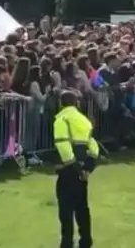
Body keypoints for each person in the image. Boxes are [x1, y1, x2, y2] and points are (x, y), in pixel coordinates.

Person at [53, 90, 99, 248]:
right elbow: (93, 145)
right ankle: (86, 241)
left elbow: (63, 145)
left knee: (65, 210)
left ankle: (67, 243)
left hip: (68, 169)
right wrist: (87, 168)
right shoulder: (84, 120)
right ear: (76, 103)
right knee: (82, 208)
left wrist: (75, 167)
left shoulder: (61, 120)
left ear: (61, 103)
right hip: (82, 170)